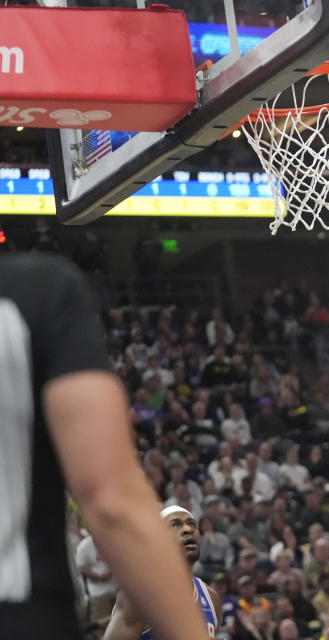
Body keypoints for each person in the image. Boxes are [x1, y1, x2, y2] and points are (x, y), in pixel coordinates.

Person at [0, 252, 209, 640]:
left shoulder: (206, 592)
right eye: (178, 525)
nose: (187, 532)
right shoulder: (37, 292)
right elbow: (112, 502)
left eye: (189, 525)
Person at [104, 506, 221, 639]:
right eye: (175, 525)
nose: (188, 529)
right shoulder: (140, 596)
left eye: (192, 524)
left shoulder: (211, 598)